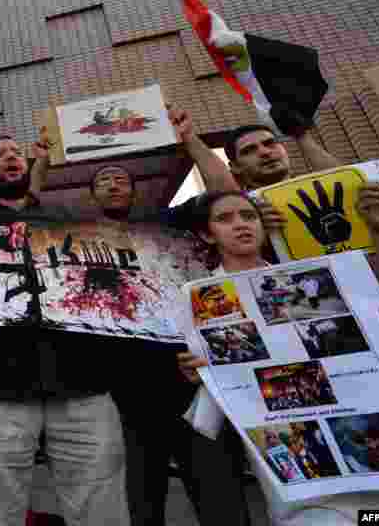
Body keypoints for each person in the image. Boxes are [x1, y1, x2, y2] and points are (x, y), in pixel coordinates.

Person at [0, 129, 129, 526]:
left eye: (17, 153)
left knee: (99, 504)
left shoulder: (65, 217)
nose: (11, 158)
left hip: (81, 384)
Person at [83, 106, 252, 526]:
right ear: (93, 196)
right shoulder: (78, 239)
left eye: (121, 178)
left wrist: (191, 141)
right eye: (103, 180)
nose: (113, 182)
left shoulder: (168, 222)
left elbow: (228, 193)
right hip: (123, 394)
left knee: (220, 500)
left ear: (134, 191)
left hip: (190, 381)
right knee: (141, 505)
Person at [178, 190, 379, 525]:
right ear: (206, 233)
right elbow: (206, 416)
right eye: (224, 218)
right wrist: (199, 374)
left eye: (248, 215)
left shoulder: (318, 280)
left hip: (363, 444)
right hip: (293, 462)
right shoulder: (199, 301)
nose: (240, 225)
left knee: (371, 517)